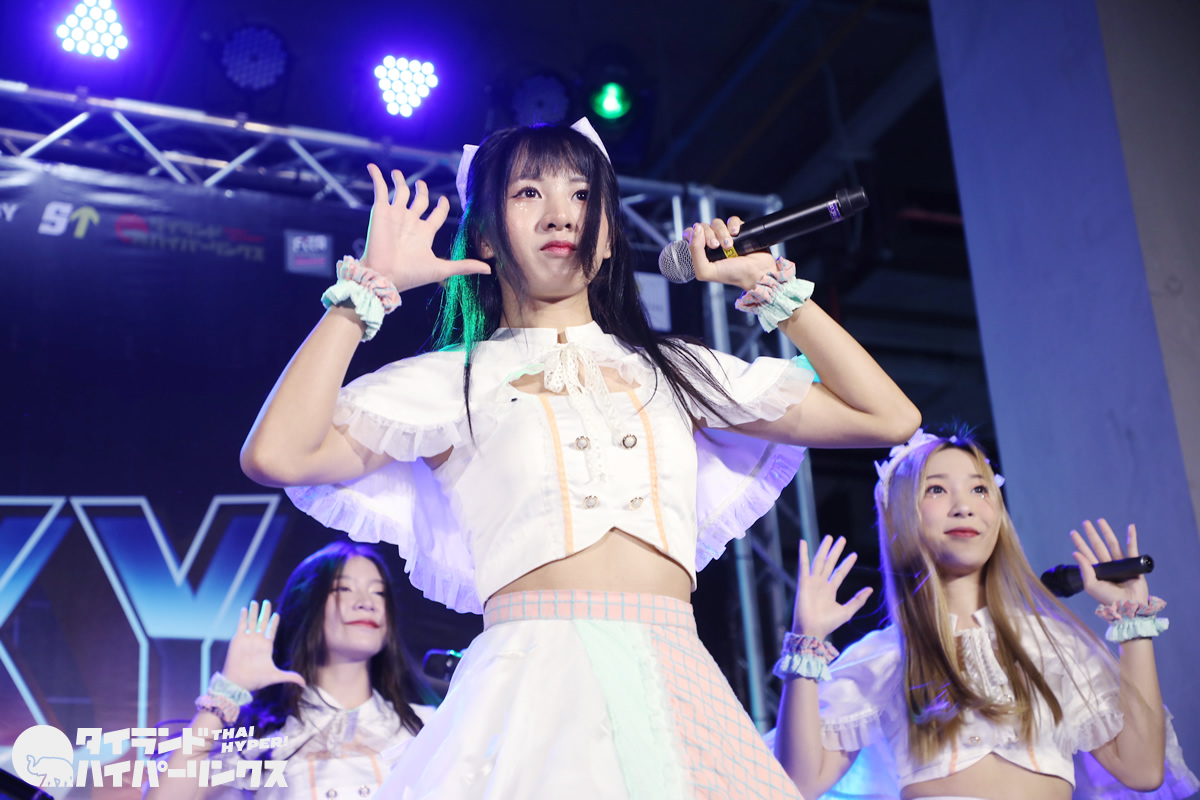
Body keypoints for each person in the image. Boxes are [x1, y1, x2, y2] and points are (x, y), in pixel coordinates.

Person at [239, 117, 920, 798]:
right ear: (483, 236)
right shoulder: (453, 380)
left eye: (582, 193)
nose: (561, 213)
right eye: (528, 193)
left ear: (609, 235)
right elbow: (277, 454)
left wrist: (770, 284)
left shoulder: (675, 369)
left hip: (675, 679)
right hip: (533, 683)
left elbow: (888, 418)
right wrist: (362, 297)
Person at [773, 429, 1197, 800]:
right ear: (900, 513)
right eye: (936, 490)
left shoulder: (1055, 645)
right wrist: (806, 644)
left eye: (979, 489)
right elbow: (797, 784)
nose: (964, 506)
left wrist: (1132, 624)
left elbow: (1143, 770)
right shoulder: (887, 657)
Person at [147, 542, 434, 800]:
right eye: (344, 589)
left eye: (379, 592)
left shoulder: (427, 728)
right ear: (307, 604)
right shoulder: (259, 740)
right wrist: (227, 692)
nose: (366, 603)